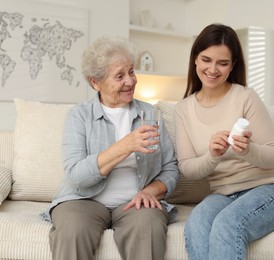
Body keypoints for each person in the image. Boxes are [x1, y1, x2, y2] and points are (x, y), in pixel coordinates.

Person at [42, 36, 179, 260]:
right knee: (73, 229)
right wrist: (125, 146)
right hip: (83, 200)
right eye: (119, 76)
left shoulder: (150, 114)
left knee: (149, 226)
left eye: (132, 72)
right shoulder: (79, 115)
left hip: (135, 202)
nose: (130, 81)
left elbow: (171, 168)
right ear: (95, 82)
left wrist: (149, 192)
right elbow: (76, 176)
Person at [174, 23, 274, 260]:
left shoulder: (245, 97)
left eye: (223, 63)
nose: (213, 69)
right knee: (196, 223)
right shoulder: (183, 109)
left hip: (267, 190)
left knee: (227, 224)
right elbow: (187, 168)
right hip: (223, 195)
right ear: (195, 59)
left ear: (232, 65)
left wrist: (248, 150)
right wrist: (212, 156)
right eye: (206, 59)